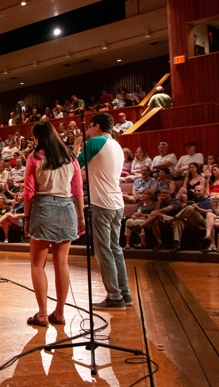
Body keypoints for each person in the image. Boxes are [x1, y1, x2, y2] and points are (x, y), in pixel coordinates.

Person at [22, 122, 84, 326]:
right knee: (62, 263)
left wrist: (27, 218)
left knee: (37, 264)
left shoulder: (35, 157)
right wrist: (81, 217)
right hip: (67, 208)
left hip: (43, 207)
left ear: (38, 138)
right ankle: (59, 313)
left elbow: (29, 192)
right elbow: (77, 190)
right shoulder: (70, 158)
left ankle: (41, 314)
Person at [73, 113, 131, 310]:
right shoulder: (117, 146)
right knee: (115, 248)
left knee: (103, 250)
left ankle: (114, 296)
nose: (87, 131)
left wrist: (76, 145)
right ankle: (125, 293)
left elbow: (73, 167)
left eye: (89, 127)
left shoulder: (95, 142)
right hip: (117, 203)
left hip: (102, 204)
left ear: (96, 126)